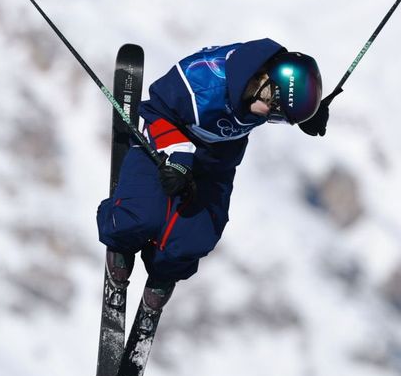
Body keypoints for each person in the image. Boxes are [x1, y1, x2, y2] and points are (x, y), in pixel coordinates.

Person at [96, 40, 328, 310]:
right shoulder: (203, 83)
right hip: (165, 145)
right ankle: (122, 244)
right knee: (141, 216)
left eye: (279, 117)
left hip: (215, 162)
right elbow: (157, 109)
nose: (270, 118)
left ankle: (163, 270)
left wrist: (305, 112)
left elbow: (288, 93)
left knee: (195, 237)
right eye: (275, 109)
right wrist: (180, 156)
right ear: (266, 83)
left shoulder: (261, 93)